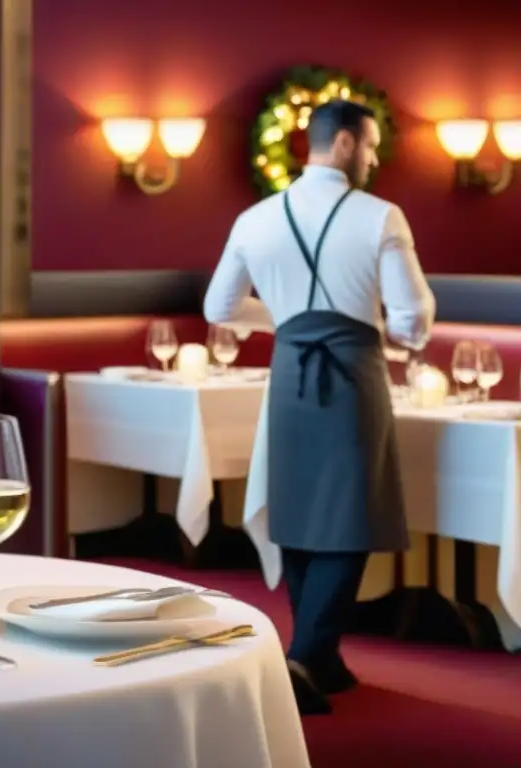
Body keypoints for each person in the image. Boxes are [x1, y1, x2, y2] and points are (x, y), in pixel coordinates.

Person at [202, 100, 435, 715]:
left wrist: (285, 318)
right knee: (350, 515)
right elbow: (412, 318)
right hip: (353, 372)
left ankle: (320, 659)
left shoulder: (255, 217)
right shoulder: (383, 217)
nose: (377, 158)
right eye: (373, 145)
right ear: (347, 145)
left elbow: (218, 308)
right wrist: (386, 329)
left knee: (303, 511)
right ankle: (304, 657)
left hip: (289, 371)